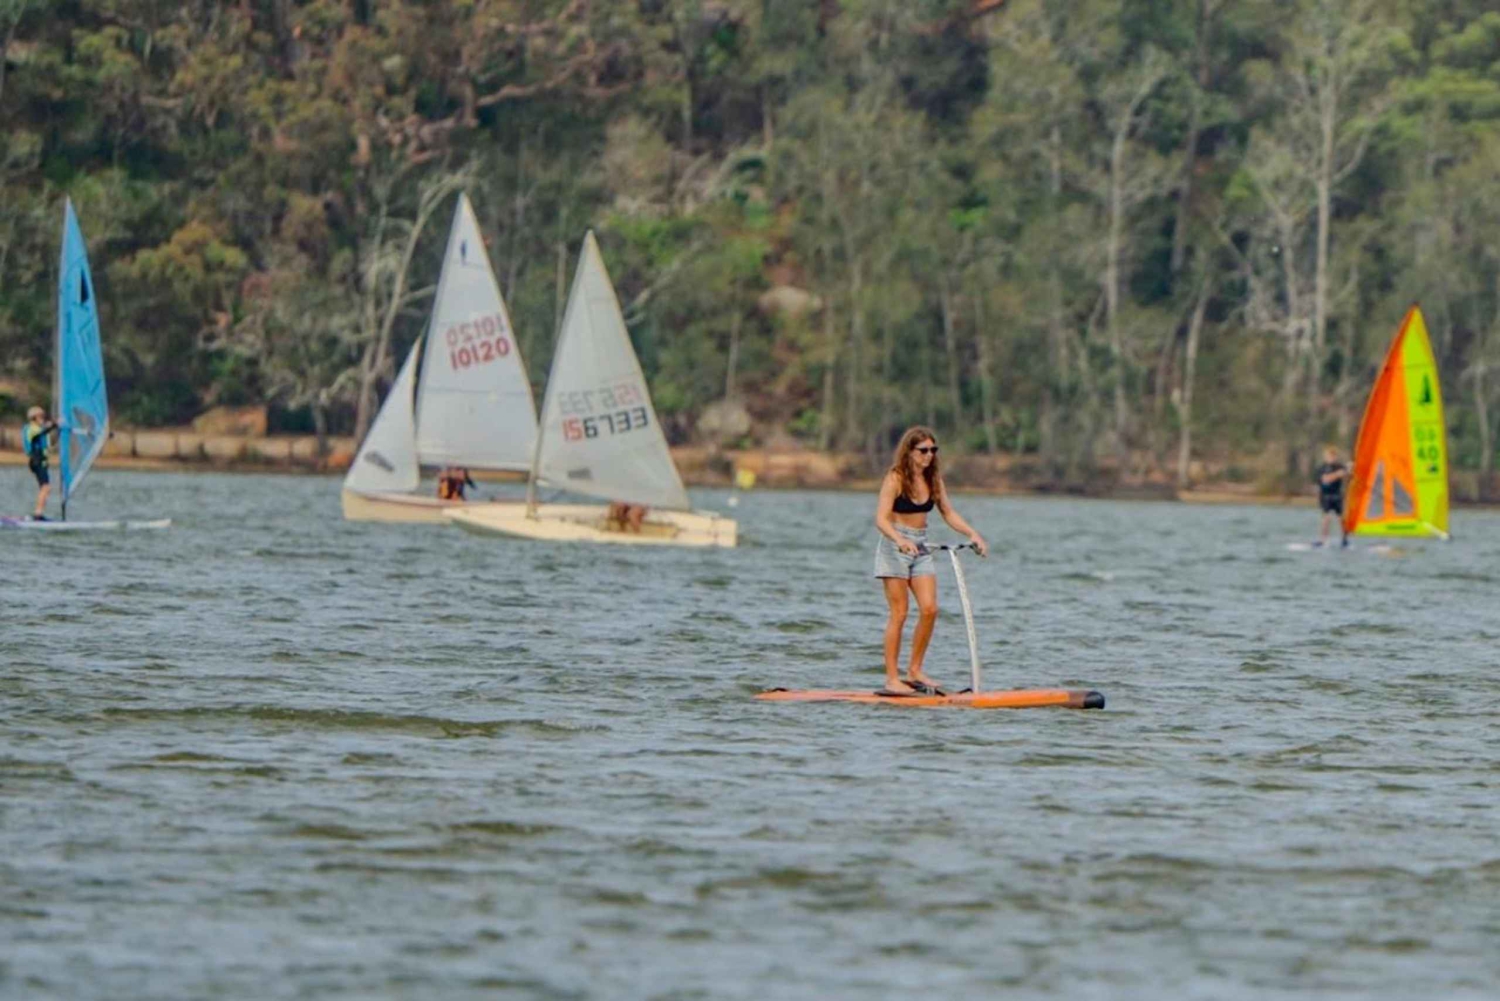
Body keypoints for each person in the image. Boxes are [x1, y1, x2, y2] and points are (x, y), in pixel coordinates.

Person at [873, 426, 988, 696]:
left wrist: (972, 534)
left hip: (921, 545)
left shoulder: (933, 479)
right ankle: (892, 679)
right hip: (895, 545)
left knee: (930, 609)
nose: (929, 455)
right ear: (909, 451)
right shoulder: (895, 478)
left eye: (933, 450)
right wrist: (899, 539)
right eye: (923, 450)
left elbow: (948, 512)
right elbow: (881, 519)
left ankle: (914, 671)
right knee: (900, 613)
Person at [22, 405, 58, 520]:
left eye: (43, 416)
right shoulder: (31, 428)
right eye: (41, 417)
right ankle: (38, 513)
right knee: (45, 487)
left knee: (44, 488)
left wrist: (56, 428)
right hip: (37, 461)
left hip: (41, 461)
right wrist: (54, 424)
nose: (43, 419)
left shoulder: (38, 428)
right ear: (34, 418)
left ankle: (38, 513)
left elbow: (46, 435)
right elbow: (42, 432)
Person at [1314, 445, 1350, 548]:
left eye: (1333, 456)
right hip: (1326, 496)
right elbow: (1325, 479)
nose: (1331, 458)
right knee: (1326, 518)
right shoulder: (1322, 468)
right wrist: (1337, 475)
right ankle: (1323, 540)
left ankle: (1344, 539)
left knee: (1341, 518)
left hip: (1337, 495)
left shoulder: (1340, 466)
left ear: (1335, 457)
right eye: (1329, 456)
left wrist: (1348, 469)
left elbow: (1346, 473)